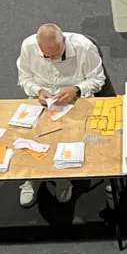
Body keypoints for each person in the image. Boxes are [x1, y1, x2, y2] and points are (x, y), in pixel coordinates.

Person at [17, 24, 106, 207]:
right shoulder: (28, 47)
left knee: (67, 141)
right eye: (46, 56)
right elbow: (24, 79)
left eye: (56, 55)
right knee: (29, 138)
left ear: (64, 40)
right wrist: (37, 90)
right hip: (43, 101)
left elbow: (98, 79)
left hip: (75, 102)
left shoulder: (84, 47)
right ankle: (33, 177)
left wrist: (77, 89)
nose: (52, 60)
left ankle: (61, 178)